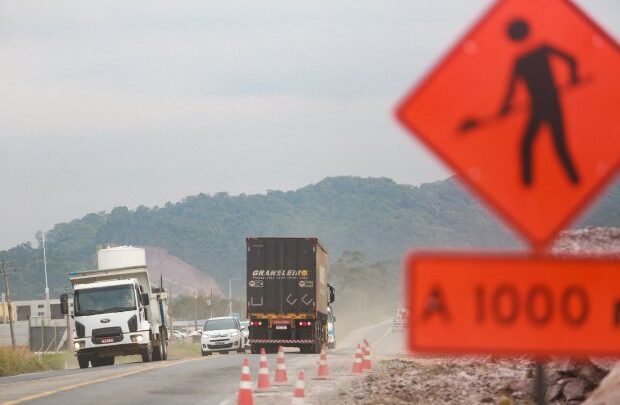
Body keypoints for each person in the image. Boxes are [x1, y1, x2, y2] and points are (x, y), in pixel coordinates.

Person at [498, 18, 580, 186]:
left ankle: (571, 181)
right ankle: (532, 187)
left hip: (547, 105)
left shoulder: (524, 59)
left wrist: (504, 109)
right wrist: (573, 79)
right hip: (544, 105)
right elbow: (571, 60)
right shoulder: (535, 54)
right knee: (547, 146)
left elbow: (510, 92)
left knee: (547, 146)